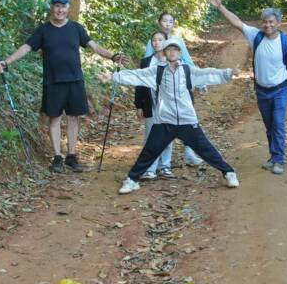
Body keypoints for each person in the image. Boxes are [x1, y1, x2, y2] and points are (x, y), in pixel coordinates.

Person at [0, 0, 130, 173]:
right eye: (57, 6)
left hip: (75, 80)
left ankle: (71, 156)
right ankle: (57, 157)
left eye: (63, 7)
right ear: (52, 8)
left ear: (68, 8)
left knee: (74, 118)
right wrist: (6, 62)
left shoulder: (76, 28)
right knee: (54, 118)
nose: (60, 10)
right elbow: (26, 47)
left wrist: (113, 56)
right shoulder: (43, 30)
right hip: (53, 81)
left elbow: (94, 46)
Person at [100, 38, 240, 194]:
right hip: (165, 120)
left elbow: (207, 73)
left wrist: (228, 73)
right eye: (169, 49)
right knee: (150, 151)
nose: (172, 52)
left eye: (175, 49)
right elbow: (137, 75)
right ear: (165, 53)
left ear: (180, 52)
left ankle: (229, 173)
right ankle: (132, 180)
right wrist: (113, 76)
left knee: (205, 149)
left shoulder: (188, 70)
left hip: (187, 120)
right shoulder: (158, 71)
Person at [206, 0, 287, 175]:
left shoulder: (285, 41)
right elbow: (236, 22)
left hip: (280, 90)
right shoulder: (256, 36)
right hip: (262, 91)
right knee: (269, 127)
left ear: (278, 23)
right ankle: (273, 157)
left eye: (271, 22)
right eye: (265, 22)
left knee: (278, 124)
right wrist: (220, 6)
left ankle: (279, 160)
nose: (268, 25)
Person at [142, 12, 204, 174]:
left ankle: (188, 153)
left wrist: (198, 80)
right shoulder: (154, 41)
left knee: (186, 119)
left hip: (179, 84)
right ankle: (152, 166)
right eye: (164, 21)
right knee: (160, 128)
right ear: (159, 22)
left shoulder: (177, 40)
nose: (167, 24)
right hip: (159, 91)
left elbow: (187, 60)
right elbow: (147, 65)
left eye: (170, 21)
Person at [135, 31, 173, 180]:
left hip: (169, 105)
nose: (156, 42)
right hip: (150, 103)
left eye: (160, 40)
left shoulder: (172, 60)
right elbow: (139, 83)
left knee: (167, 134)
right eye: (154, 40)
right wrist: (139, 105)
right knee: (150, 136)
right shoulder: (146, 61)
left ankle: (165, 166)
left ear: (166, 42)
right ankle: (150, 168)